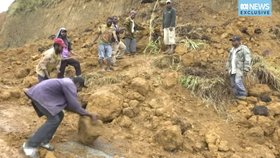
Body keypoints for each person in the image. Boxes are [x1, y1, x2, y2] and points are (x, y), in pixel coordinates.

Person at [22, 77, 97, 158]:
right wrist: (89, 114)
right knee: (54, 119)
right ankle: (29, 146)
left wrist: (81, 112)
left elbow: (68, 106)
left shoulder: (66, 83)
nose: (80, 90)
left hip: (41, 95)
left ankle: (44, 141)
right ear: (77, 84)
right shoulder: (69, 84)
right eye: (81, 87)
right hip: (40, 96)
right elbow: (74, 105)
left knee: (60, 115)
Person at [226, 35, 252, 100]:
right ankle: (236, 96)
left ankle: (243, 94)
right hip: (232, 69)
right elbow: (229, 60)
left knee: (238, 81)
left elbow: (247, 59)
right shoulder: (232, 50)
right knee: (233, 83)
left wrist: (246, 68)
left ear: (239, 41)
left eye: (234, 41)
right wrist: (227, 68)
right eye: (232, 41)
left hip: (239, 69)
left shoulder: (243, 49)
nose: (233, 43)